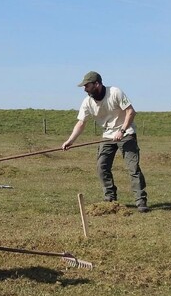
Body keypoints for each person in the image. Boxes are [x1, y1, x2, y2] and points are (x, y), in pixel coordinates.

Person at [62, 71, 149, 213]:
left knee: (133, 168)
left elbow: (131, 112)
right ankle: (110, 198)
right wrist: (70, 140)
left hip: (126, 134)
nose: (85, 89)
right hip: (107, 137)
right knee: (101, 166)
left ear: (97, 84)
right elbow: (81, 123)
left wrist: (121, 131)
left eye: (87, 86)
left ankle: (141, 201)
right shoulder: (87, 102)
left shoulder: (115, 92)